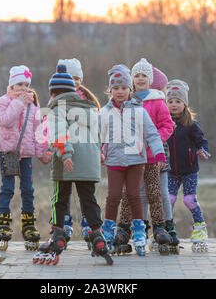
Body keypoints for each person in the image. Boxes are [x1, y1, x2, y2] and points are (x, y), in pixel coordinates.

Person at [33, 64, 111, 265]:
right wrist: (98, 156)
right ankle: (97, 235)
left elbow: (59, 133)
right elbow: (97, 138)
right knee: (88, 200)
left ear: (53, 92)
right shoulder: (90, 109)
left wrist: (66, 154)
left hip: (66, 164)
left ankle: (58, 235)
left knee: (60, 198)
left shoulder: (57, 109)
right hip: (89, 165)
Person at [100, 64, 165, 256]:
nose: (120, 92)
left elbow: (152, 134)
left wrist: (159, 153)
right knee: (113, 197)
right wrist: (99, 151)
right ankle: (108, 232)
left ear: (130, 89)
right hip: (114, 161)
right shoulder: (104, 112)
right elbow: (97, 136)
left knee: (134, 195)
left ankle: (138, 231)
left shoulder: (139, 110)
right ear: (110, 90)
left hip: (136, 161)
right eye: (116, 88)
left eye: (124, 88)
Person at [117, 59, 174, 254]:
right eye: (137, 76)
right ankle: (124, 229)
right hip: (131, 157)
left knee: (154, 192)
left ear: (150, 80)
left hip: (150, 157)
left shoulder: (157, 101)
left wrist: (153, 139)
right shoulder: (126, 100)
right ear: (132, 79)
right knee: (129, 194)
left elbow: (167, 125)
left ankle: (159, 226)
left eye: (144, 76)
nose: (140, 79)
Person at [0, 65, 50, 251]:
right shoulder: (2, 102)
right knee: (7, 189)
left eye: (26, 85)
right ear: (11, 84)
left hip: (25, 154)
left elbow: (37, 130)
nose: (24, 89)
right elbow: (5, 121)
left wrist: (41, 152)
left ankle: (28, 224)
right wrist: (19, 103)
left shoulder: (33, 105)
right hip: (8, 153)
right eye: (20, 84)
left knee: (28, 189)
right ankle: (2, 224)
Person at [55, 58, 101, 248]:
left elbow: (57, 130)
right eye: (70, 78)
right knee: (85, 195)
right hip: (85, 157)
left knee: (64, 195)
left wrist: (64, 152)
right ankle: (95, 228)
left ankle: (66, 226)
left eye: (77, 78)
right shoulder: (90, 105)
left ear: (81, 80)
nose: (74, 82)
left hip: (69, 156)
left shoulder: (62, 103)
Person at [166, 79, 211, 252]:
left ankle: (200, 227)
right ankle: (165, 228)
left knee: (189, 199)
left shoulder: (191, 124)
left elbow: (202, 141)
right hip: (170, 171)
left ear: (184, 103)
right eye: (170, 101)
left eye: (178, 101)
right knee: (168, 200)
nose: (174, 105)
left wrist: (203, 151)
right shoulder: (164, 122)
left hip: (189, 171)